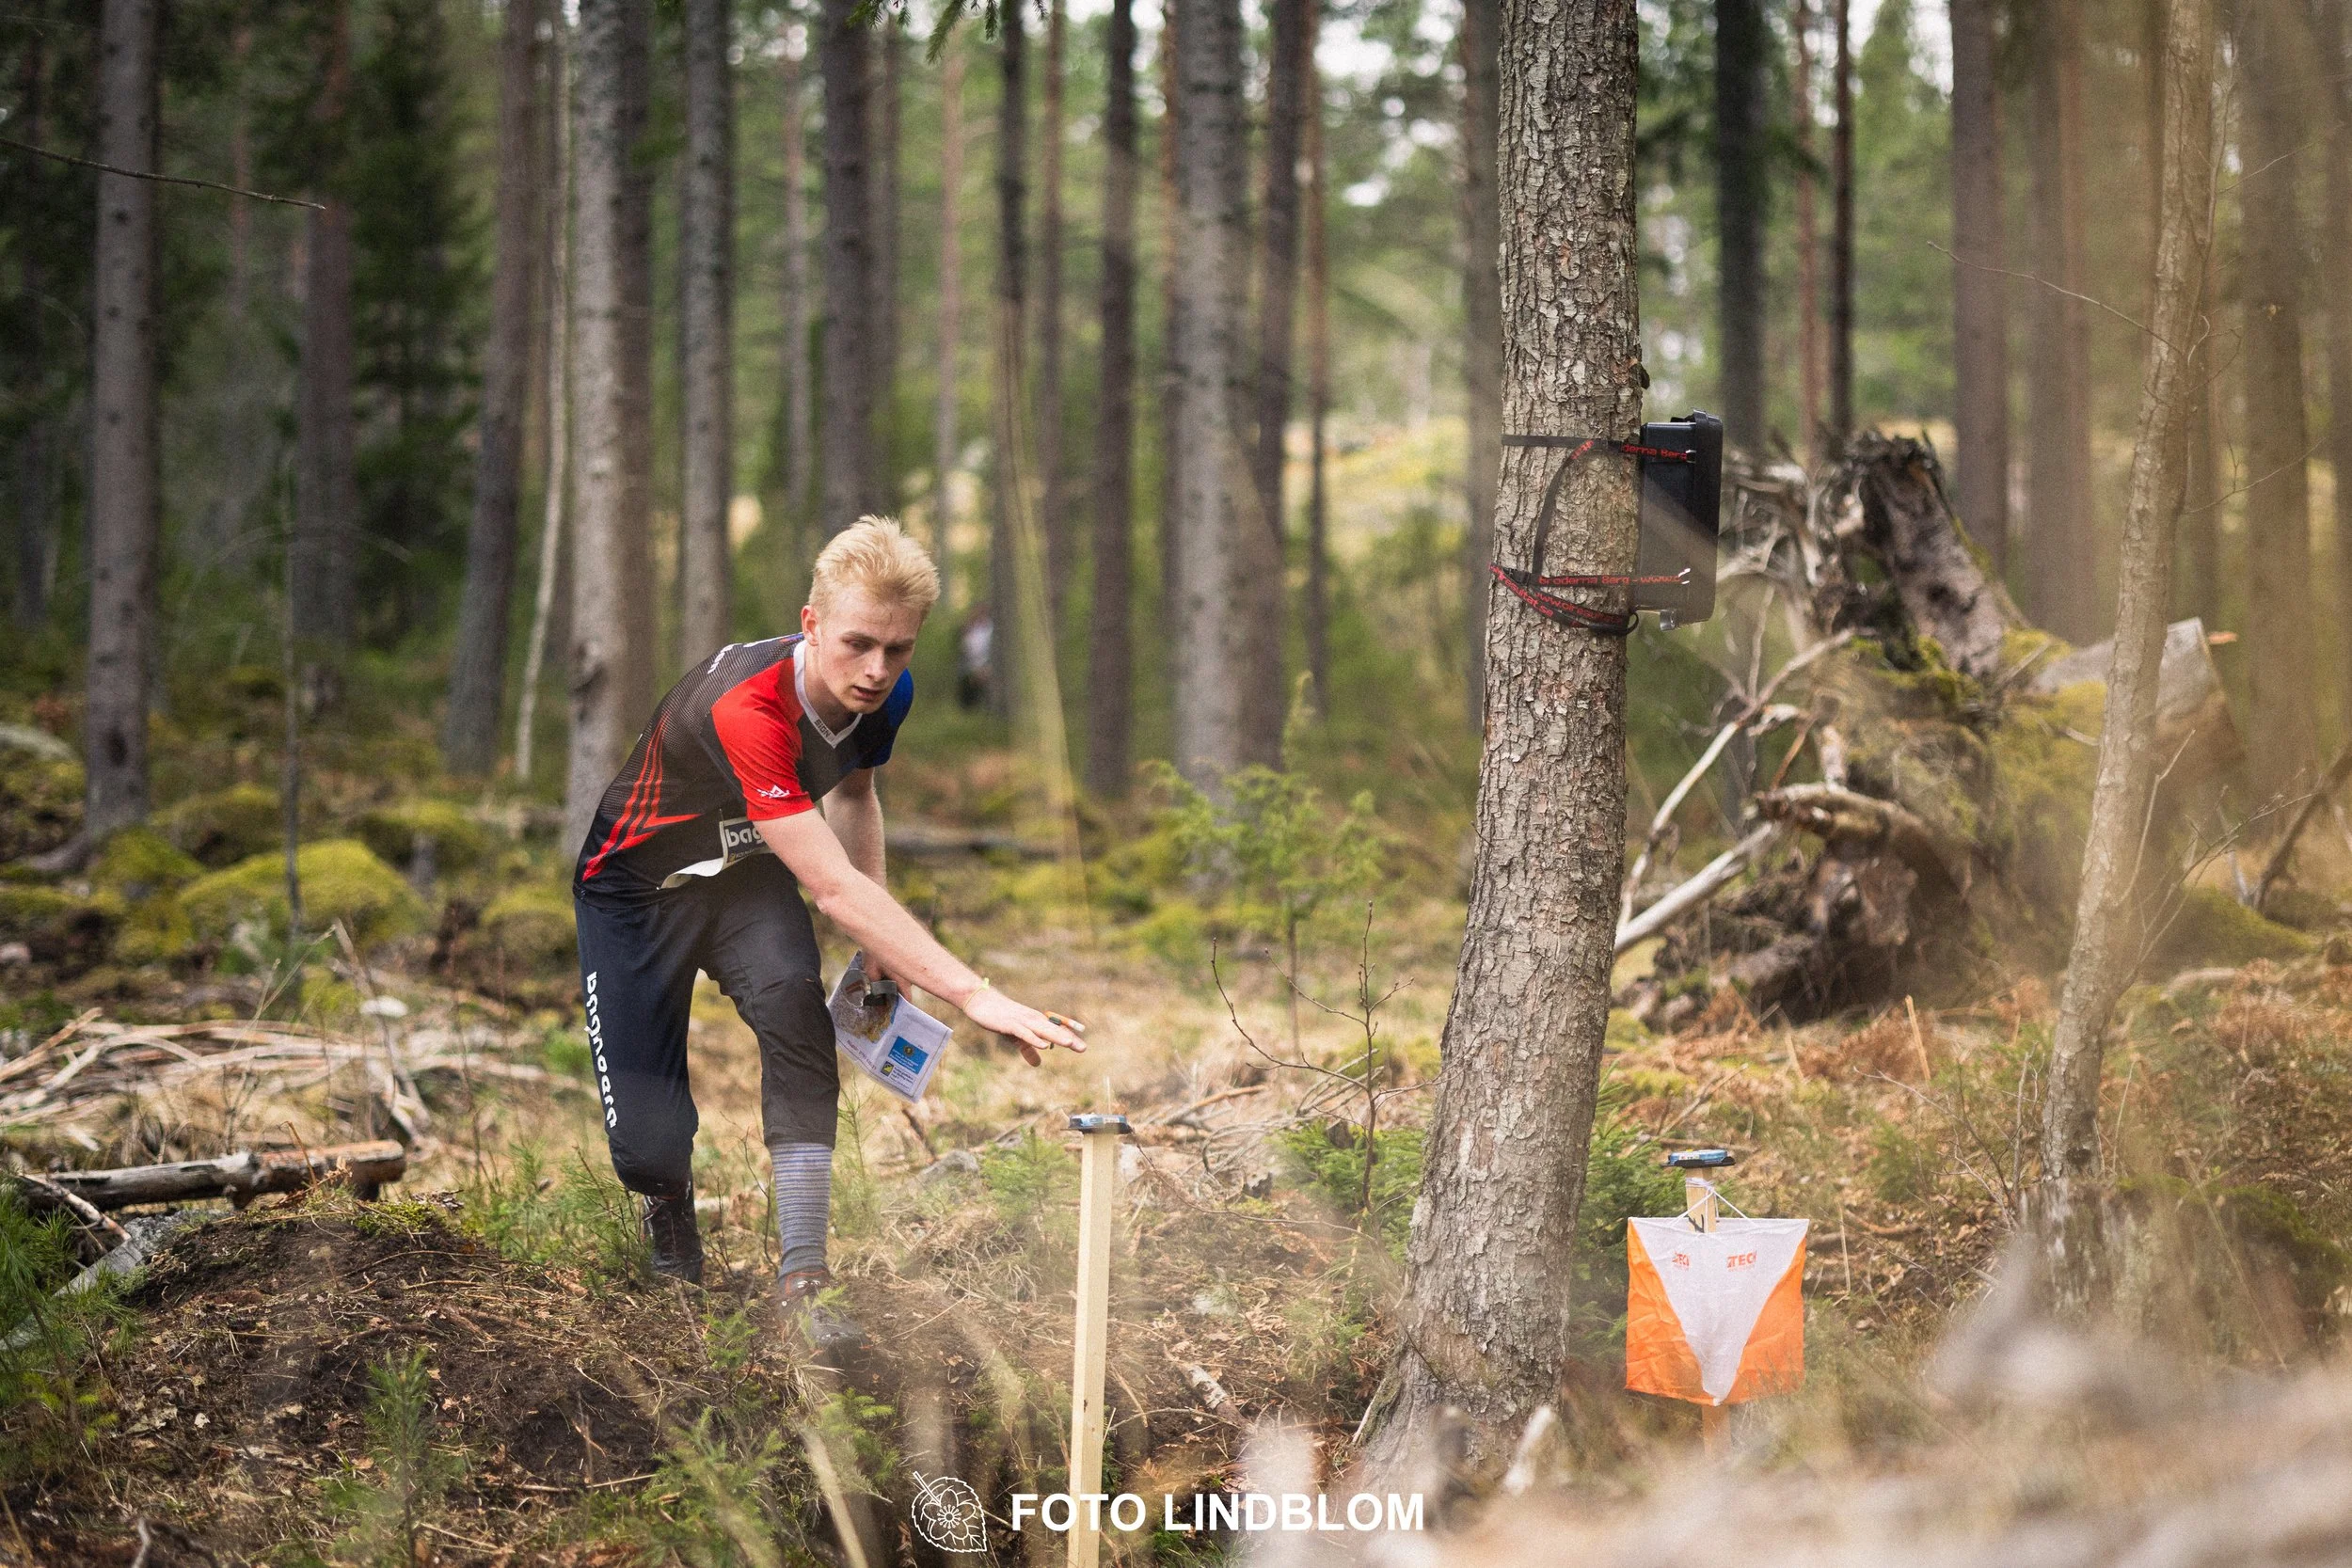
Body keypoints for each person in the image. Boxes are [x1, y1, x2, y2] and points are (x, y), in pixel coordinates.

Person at [570, 517, 1084, 1346]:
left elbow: (852, 799)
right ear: (810, 624)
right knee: (648, 1141)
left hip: (745, 877)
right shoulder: (747, 706)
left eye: (899, 648)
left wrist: (885, 950)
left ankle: (803, 1277)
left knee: (797, 1013)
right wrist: (973, 992)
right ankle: (670, 1227)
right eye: (857, 644)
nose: (878, 669)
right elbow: (832, 885)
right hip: (637, 890)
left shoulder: (886, 696)